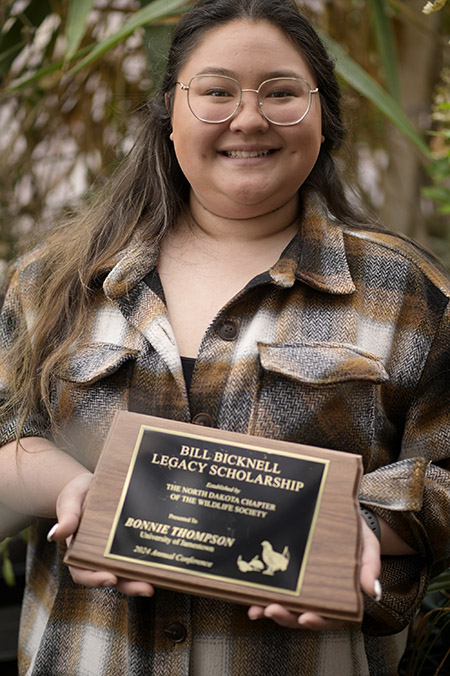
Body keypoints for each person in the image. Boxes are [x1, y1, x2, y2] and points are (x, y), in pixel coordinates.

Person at [0, 0, 449, 673]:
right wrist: (67, 486)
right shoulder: (54, 280)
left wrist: (356, 526)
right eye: (215, 91)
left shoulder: (406, 290)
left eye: (282, 92)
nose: (248, 118)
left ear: (322, 115)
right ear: (169, 115)